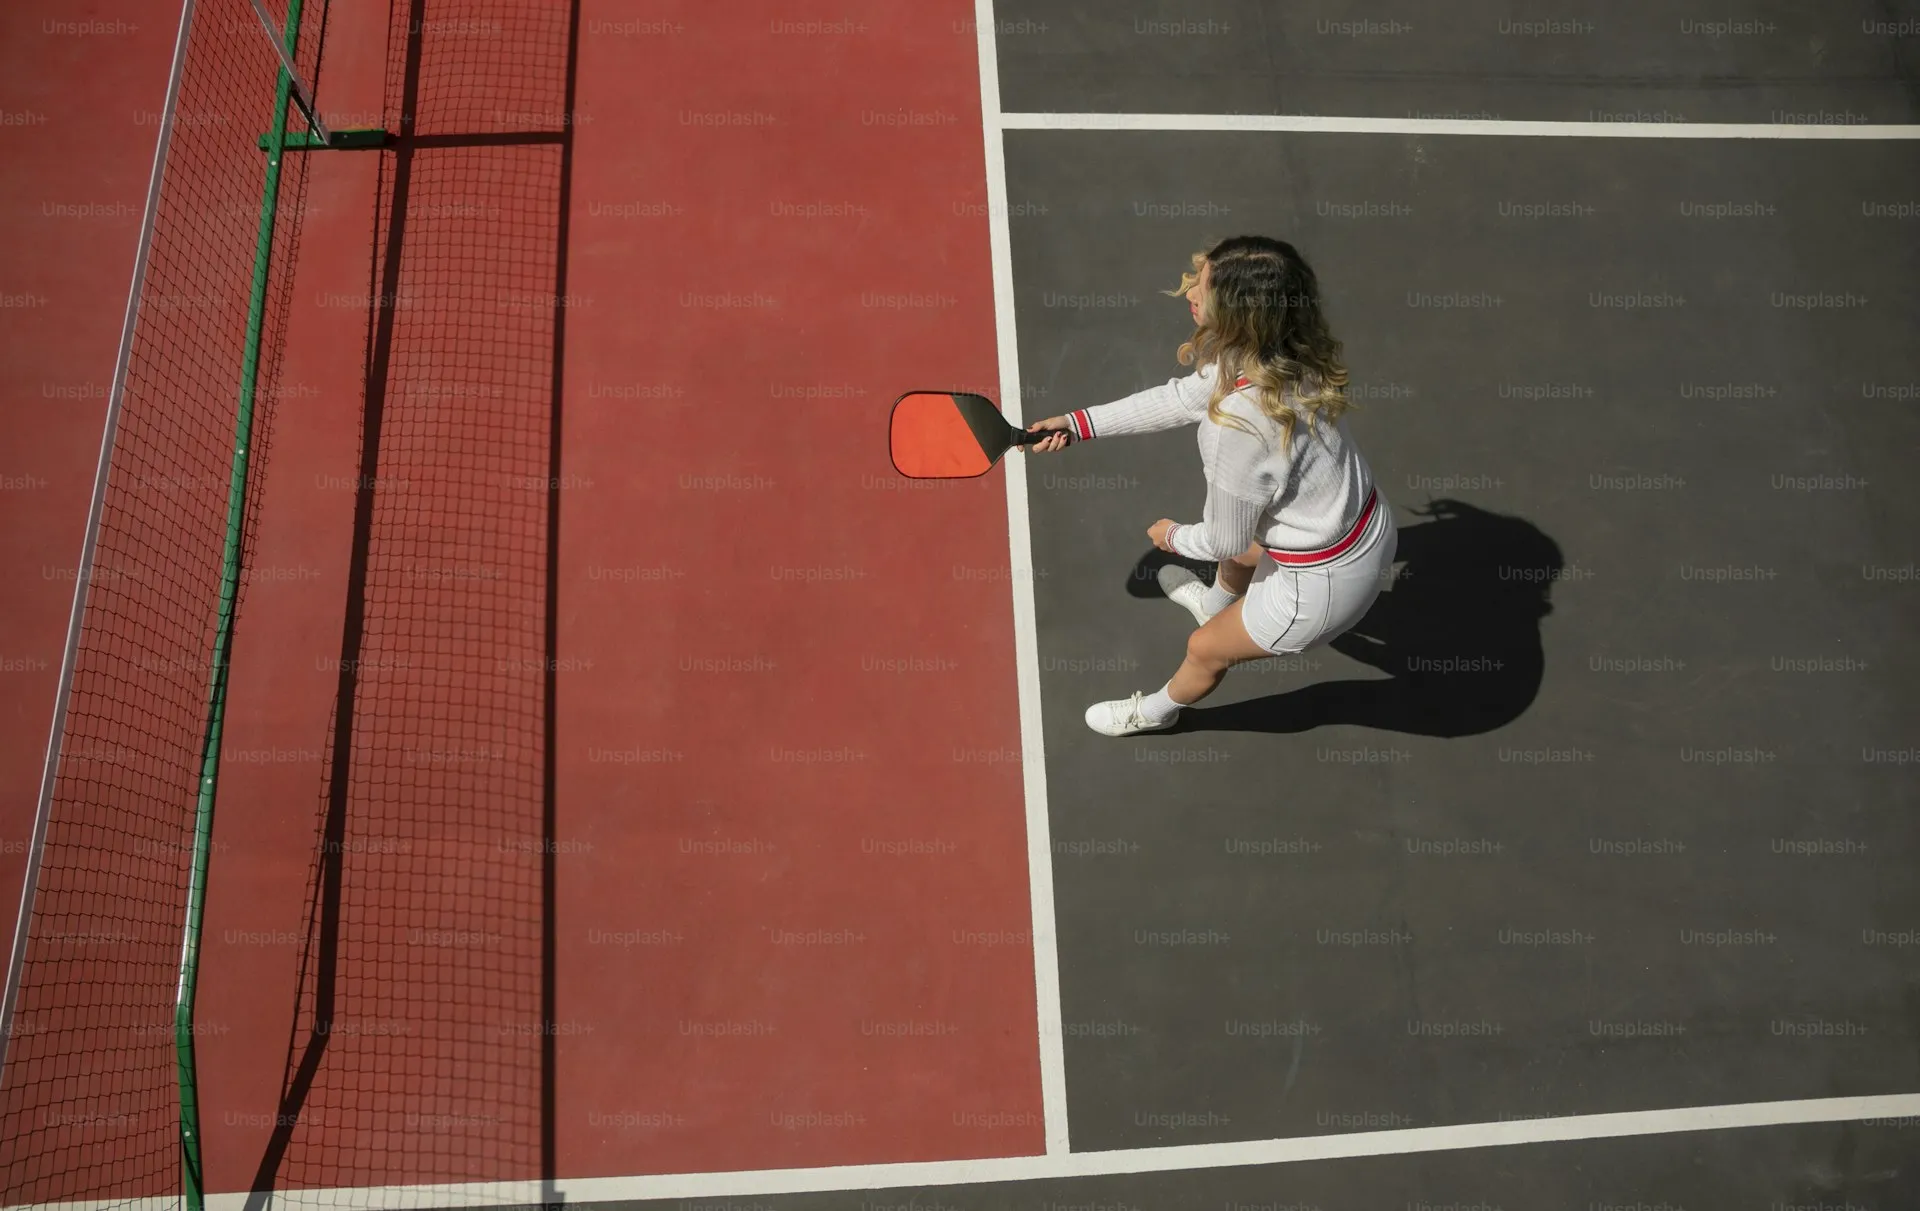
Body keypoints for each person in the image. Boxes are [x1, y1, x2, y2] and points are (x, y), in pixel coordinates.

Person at [1026, 235, 1397, 736]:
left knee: (1205, 649)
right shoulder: (1284, 351)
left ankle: (1156, 712)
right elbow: (1182, 399)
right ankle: (1216, 603)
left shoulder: (1236, 429)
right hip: (1365, 523)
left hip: (1321, 588)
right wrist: (1078, 423)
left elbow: (1222, 539)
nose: (1190, 294)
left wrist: (1172, 538)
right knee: (1247, 544)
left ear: (1240, 314)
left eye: (1204, 289)